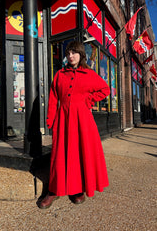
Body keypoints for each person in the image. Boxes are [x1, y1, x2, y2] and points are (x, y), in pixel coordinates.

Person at [39, 41, 110, 209]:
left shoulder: (89, 74)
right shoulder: (59, 75)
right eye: (68, 53)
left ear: (81, 55)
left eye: (74, 53)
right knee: (59, 154)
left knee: (80, 153)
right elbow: (53, 99)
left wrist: (88, 100)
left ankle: (78, 189)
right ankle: (54, 190)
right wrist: (51, 120)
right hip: (63, 119)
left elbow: (105, 89)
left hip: (83, 121)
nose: (70, 56)